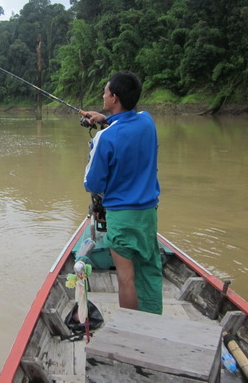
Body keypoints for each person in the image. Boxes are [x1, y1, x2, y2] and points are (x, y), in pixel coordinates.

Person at [83, 70, 162, 315]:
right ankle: (153, 322)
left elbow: (92, 183)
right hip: (148, 214)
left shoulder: (104, 138)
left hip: (121, 216)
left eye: (105, 92)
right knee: (149, 270)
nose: (103, 95)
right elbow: (128, 125)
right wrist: (106, 120)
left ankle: (132, 329)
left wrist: (99, 137)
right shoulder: (148, 122)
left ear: (114, 98)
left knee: (126, 278)